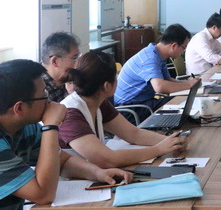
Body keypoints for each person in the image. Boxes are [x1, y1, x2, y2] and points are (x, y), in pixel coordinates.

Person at [0, 60, 132, 210]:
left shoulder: (27, 127)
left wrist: (98, 173)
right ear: (19, 108)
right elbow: (43, 195)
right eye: (44, 95)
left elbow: (63, 161)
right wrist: (51, 126)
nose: (49, 101)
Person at [58, 51, 187, 168]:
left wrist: (170, 141)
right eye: (116, 78)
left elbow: (133, 134)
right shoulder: (70, 114)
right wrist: (158, 149)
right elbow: (108, 160)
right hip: (72, 182)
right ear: (107, 86)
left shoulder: (98, 102)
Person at [114, 24, 199, 122]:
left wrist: (190, 83)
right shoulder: (150, 58)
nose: (183, 52)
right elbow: (160, 87)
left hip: (141, 102)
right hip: (130, 109)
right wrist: (189, 85)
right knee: (179, 103)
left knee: (182, 102)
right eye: (184, 48)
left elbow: (168, 80)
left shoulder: (158, 54)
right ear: (174, 45)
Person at [40, 32, 80, 102]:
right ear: (55, 61)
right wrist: (72, 96)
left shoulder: (68, 77)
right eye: (74, 58)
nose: (78, 63)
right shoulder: (39, 91)